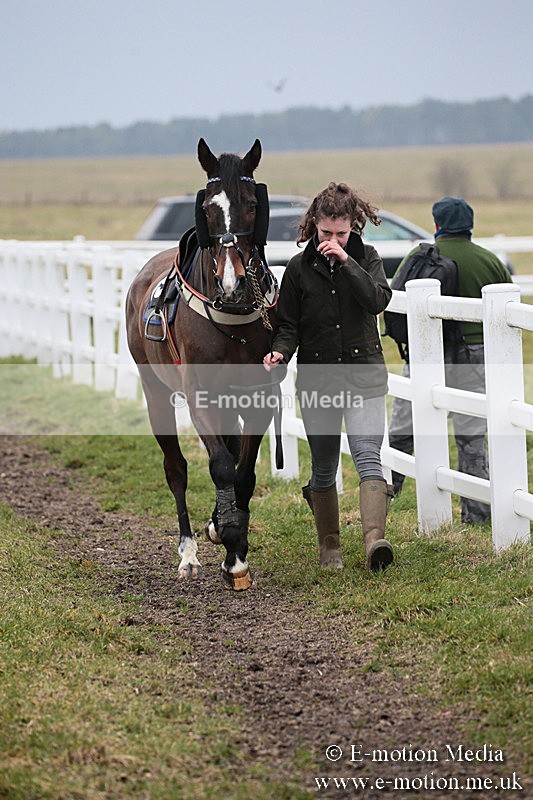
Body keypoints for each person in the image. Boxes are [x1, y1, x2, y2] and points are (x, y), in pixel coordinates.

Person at [263, 182, 394, 571]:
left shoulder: (368, 258)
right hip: (318, 381)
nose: (333, 240)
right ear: (313, 226)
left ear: (354, 226)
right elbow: (287, 325)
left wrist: (347, 261)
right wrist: (280, 352)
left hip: (364, 376)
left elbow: (377, 300)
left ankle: (375, 544)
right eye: (326, 233)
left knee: (369, 458)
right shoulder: (298, 270)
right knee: (324, 466)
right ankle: (330, 549)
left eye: (341, 233)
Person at [387, 196, 513, 523]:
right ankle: (477, 512)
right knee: (471, 437)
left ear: (436, 224)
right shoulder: (488, 260)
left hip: (426, 355)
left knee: (403, 430)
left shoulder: (419, 256)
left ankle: (383, 497)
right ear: (470, 224)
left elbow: (395, 301)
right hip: (474, 356)